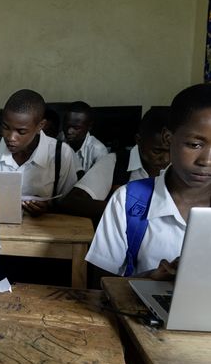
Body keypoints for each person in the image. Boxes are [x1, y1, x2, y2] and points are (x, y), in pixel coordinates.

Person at [86, 84, 211, 280]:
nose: (206, 160)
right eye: (194, 145)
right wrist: (150, 279)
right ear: (168, 138)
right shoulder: (128, 200)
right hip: (140, 309)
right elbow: (99, 285)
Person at [60, 107, 170, 223]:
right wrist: (127, 209)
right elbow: (73, 202)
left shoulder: (180, 169)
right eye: (157, 151)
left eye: (172, 151)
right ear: (138, 140)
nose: (166, 159)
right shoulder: (116, 162)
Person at [0, 89, 77, 216]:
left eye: (21, 132)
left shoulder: (60, 154)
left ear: (40, 126)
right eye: (5, 127)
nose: (11, 137)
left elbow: (69, 204)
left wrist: (48, 209)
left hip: (45, 230)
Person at [63, 101, 108, 175]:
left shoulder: (98, 151)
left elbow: (98, 183)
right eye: (67, 126)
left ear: (89, 127)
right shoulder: (58, 141)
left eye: (76, 128)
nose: (69, 131)